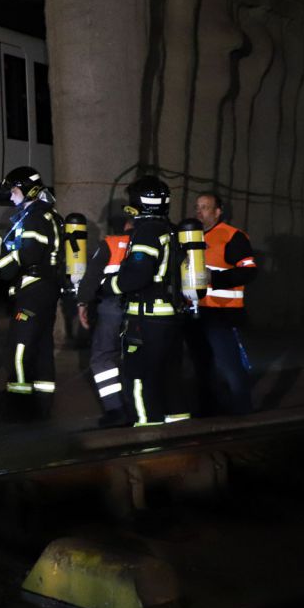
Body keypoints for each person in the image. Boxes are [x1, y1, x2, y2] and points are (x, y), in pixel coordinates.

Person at [99, 177, 187, 426]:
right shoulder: (172, 229)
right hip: (171, 318)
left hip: (146, 320)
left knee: (138, 377)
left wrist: (108, 286)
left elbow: (137, 275)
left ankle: (147, 438)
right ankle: (180, 434)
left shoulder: (147, 232)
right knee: (170, 379)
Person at [0, 166, 63, 419]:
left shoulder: (34, 217)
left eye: (13, 191)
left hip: (33, 289)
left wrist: (1, 267)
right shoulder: (48, 215)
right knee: (43, 347)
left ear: (28, 190)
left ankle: (19, 403)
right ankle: (42, 404)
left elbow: (29, 253)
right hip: (45, 289)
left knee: (19, 346)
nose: (11, 197)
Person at [185, 192, 257, 416]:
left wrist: (213, 279)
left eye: (205, 207)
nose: (199, 211)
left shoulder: (232, 236)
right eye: (197, 207)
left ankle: (243, 412)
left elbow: (248, 272)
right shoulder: (189, 236)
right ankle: (208, 411)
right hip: (195, 312)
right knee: (202, 366)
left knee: (229, 366)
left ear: (218, 211)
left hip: (222, 313)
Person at [76, 216, 133, 427]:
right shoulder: (158, 241)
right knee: (136, 357)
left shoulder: (111, 243)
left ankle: (116, 409)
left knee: (103, 358)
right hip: (145, 309)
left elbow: (91, 276)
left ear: (126, 224)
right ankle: (138, 407)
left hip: (112, 307)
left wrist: (83, 303)